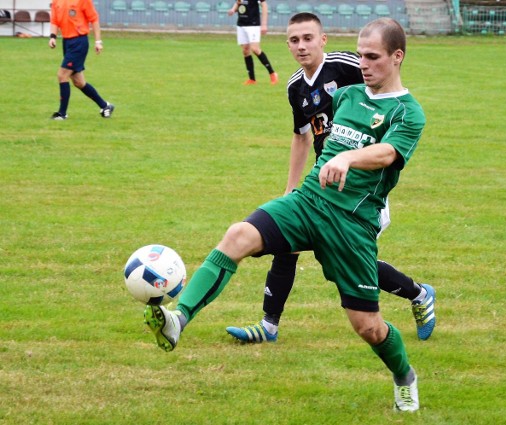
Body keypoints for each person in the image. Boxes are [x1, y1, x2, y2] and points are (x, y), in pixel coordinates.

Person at [143, 18, 426, 412]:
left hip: (352, 224)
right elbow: (306, 135)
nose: (363, 63)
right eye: (360, 54)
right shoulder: (347, 97)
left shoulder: (409, 113)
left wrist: (347, 157)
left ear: (397, 57)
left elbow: (388, 154)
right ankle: (178, 319)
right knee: (237, 235)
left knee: (368, 327)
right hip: (309, 201)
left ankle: (403, 375)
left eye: (373, 57)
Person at [225, 12, 436, 344]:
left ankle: (419, 293)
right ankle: (268, 326)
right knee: (287, 245)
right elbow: (301, 136)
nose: (301, 46)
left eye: (308, 38)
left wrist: (355, 156)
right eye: (294, 40)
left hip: (358, 192)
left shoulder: (348, 66)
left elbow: (387, 91)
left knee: (350, 266)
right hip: (320, 185)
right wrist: (290, 189)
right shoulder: (296, 85)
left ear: (323, 39)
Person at [48, 0, 114, 120]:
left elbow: (94, 19)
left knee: (62, 75)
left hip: (79, 42)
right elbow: (54, 20)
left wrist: (98, 41)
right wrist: (52, 37)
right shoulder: (56, 1)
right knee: (79, 82)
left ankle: (62, 113)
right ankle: (105, 106)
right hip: (66, 42)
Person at [228, 0, 278, 85]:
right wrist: (233, 9)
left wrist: (264, 24)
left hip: (253, 24)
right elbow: (238, 2)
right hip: (241, 24)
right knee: (245, 50)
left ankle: (272, 73)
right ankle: (252, 79)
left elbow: (264, 6)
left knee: (255, 49)